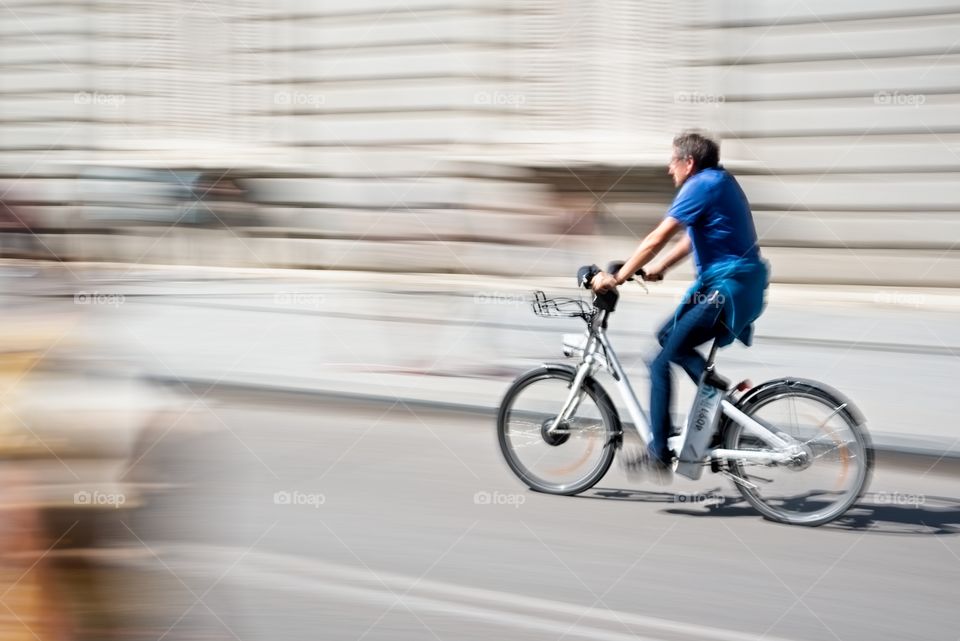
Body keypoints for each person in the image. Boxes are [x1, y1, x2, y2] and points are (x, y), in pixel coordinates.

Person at [591, 131, 769, 473]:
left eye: (672, 161)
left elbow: (657, 237)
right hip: (738, 286)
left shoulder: (700, 184)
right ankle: (719, 394)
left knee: (659, 362)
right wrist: (659, 268)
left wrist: (617, 277)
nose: (668, 168)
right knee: (667, 337)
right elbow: (691, 239)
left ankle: (658, 453)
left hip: (727, 289)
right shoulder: (719, 181)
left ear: (689, 163)